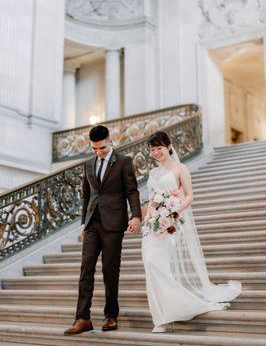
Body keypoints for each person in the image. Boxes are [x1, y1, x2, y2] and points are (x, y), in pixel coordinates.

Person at [141, 131, 241, 333]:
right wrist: (147, 217)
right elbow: (150, 199)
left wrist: (173, 210)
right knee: (150, 266)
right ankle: (161, 314)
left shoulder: (180, 168)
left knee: (156, 264)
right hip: (151, 227)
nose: (156, 153)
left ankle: (169, 313)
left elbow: (189, 196)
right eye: (152, 150)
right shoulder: (152, 173)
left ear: (169, 146)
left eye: (159, 148)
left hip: (171, 224)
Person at [64, 125, 141, 335]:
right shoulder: (88, 164)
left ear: (110, 142)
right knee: (85, 270)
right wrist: (83, 222)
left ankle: (111, 315)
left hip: (114, 224)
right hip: (91, 224)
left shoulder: (123, 161)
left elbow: (132, 191)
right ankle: (82, 318)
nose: (98, 152)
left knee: (110, 270)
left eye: (101, 148)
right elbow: (86, 196)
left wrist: (135, 216)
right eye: (94, 149)